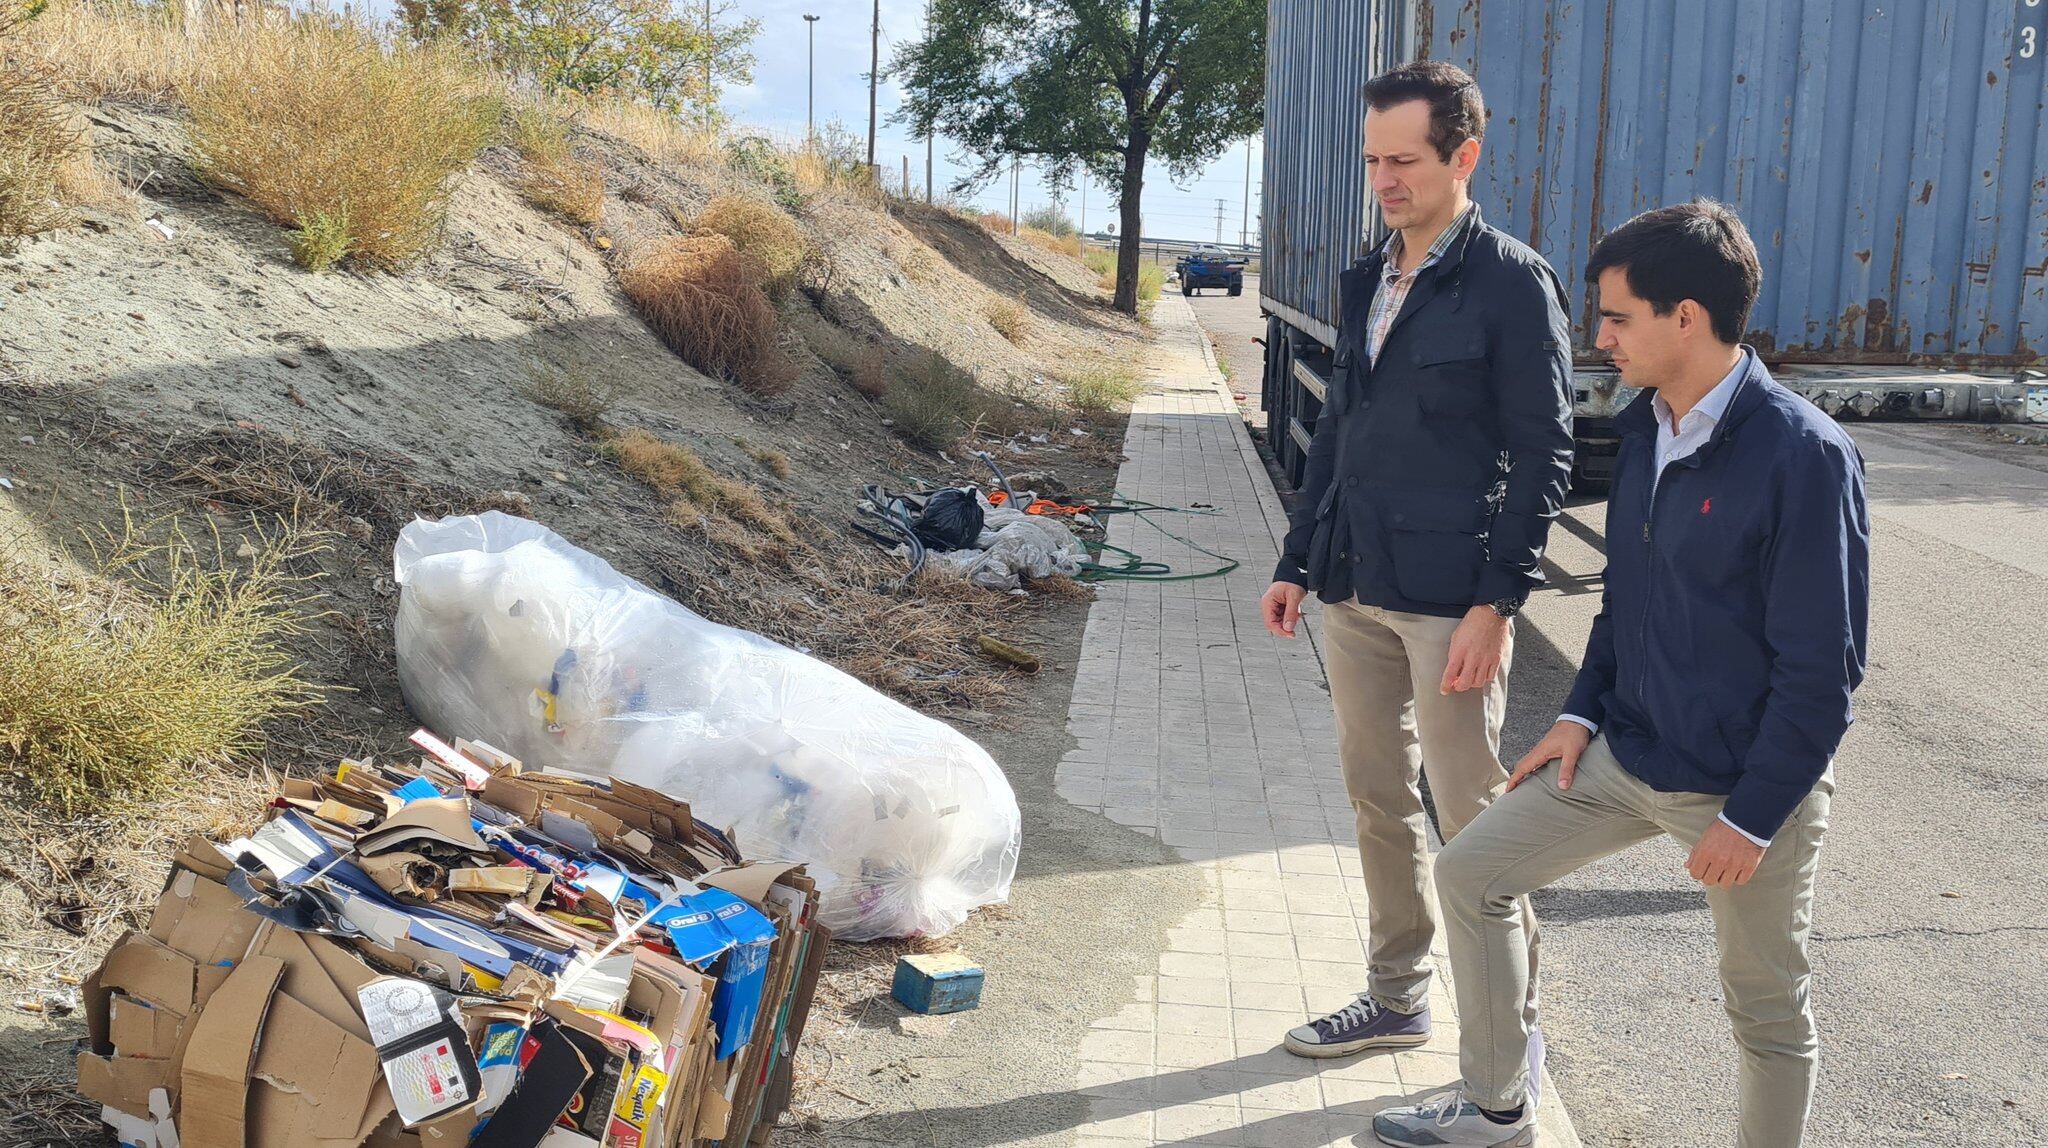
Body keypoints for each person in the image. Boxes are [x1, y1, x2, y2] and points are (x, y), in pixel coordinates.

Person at [1370, 200, 1870, 1148]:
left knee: (1765, 1009)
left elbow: (1824, 673)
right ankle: (1493, 1106)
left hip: (1740, 785)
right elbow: (1623, 600)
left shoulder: (1802, 456)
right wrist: (1580, 714)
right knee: (1472, 872)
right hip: (1625, 756)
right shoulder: (1648, 426)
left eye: (1616, 317)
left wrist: (1753, 815)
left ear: (1687, 316)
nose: (1598, 339)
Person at [1258, 60, 1574, 1065]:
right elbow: (1340, 436)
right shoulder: (1368, 278)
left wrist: (1499, 600)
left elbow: (1543, 453)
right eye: (1371, 161)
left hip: (1449, 603)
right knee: (1375, 800)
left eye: (1403, 160)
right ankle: (1395, 996)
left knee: (1473, 819)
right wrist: (1295, 560)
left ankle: (1508, 1042)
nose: (1383, 179)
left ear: (1461, 156)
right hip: (1353, 588)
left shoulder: (1509, 284)